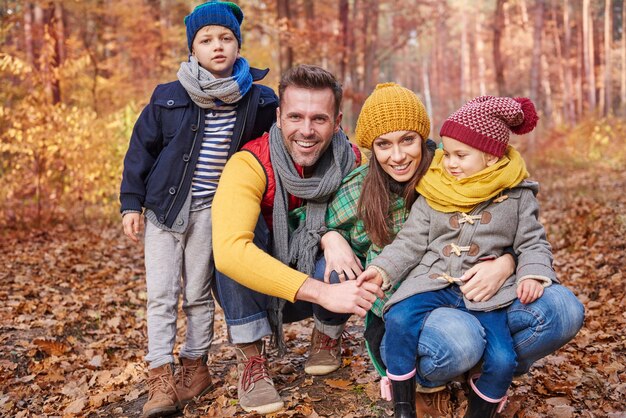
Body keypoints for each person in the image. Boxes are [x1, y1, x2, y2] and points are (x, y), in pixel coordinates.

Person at [321, 84, 584, 417]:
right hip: (422, 297)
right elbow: (323, 220)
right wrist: (331, 238)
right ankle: (423, 385)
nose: (398, 155)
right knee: (462, 339)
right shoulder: (382, 186)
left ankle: (483, 380)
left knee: (561, 310)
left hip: (481, 294)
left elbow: (527, 238)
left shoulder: (460, 172)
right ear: (371, 148)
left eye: (407, 140)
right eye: (384, 144)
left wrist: (512, 264)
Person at [119, 2, 278, 416]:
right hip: (163, 211)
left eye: (226, 38)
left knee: (197, 293)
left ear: (238, 45)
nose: (217, 46)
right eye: (206, 39)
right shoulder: (168, 96)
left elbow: (281, 140)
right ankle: (159, 377)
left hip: (213, 210)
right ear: (193, 48)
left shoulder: (256, 100)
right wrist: (130, 203)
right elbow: (141, 151)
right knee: (162, 294)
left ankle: (195, 366)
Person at [211, 64, 383, 415]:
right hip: (259, 289)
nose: (306, 131)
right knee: (233, 241)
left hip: (322, 283)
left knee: (354, 230)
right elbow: (230, 253)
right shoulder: (249, 163)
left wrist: (332, 236)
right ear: (278, 117)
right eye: (295, 117)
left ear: (337, 122)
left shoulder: (351, 160)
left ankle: (327, 335)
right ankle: (252, 361)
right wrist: (324, 292)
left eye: (319, 119)